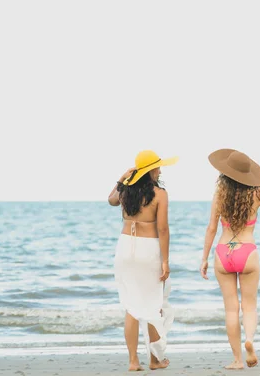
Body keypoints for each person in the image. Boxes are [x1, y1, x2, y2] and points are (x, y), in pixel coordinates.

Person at [200, 149, 260, 370]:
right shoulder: (257, 194)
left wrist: (204, 259)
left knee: (231, 309)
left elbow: (211, 229)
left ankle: (237, 360)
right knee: (249, 306)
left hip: (222, 253)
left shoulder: (220, 194)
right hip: (248, 252)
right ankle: (250, 339)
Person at [107, 150, 178, 371]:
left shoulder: (126, 191)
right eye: (158, 167)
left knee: (131, 306)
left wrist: (122, 178)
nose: (160, 170)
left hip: (125, 247)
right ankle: (155, 360)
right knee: (153, 303)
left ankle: (133, 361)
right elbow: (163, 229)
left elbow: (111, 200)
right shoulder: (160, 194)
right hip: (148, 250)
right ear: (151, 171)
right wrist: (165, 261)